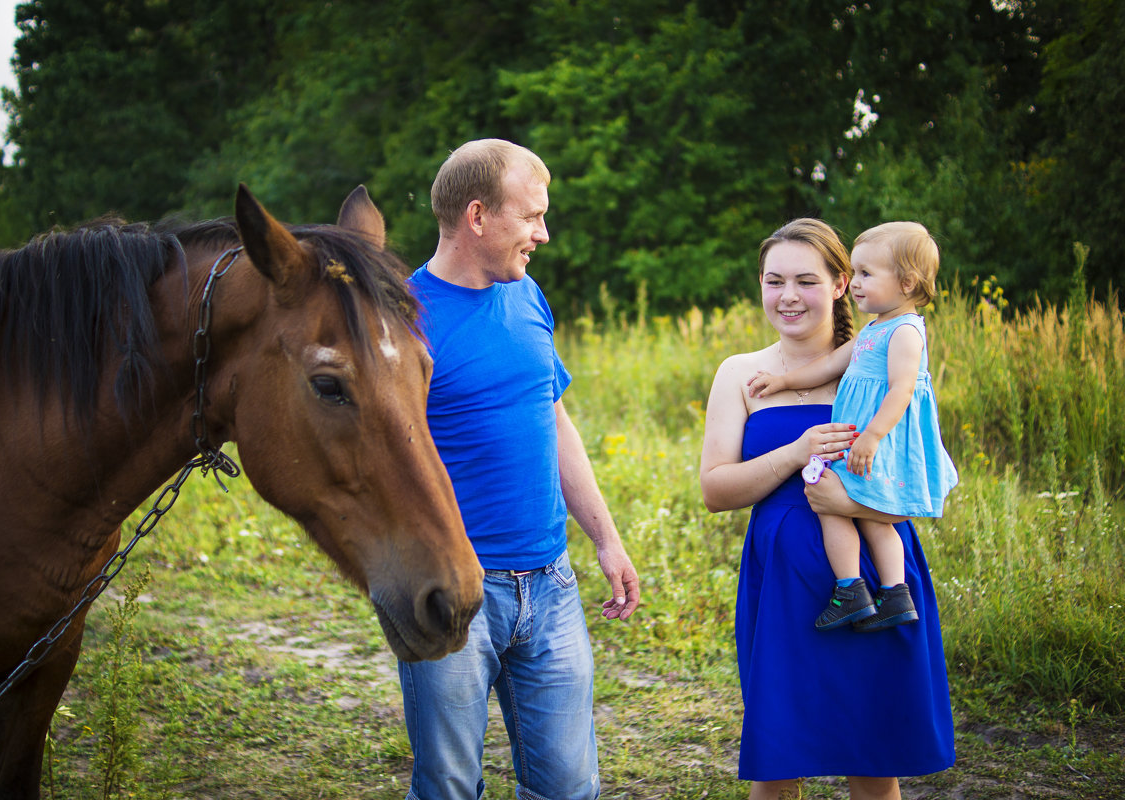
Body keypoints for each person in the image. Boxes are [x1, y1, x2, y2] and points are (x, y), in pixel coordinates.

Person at [399, 138, 641, 800]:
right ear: (478, 216)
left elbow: (554, 419)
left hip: (552, 586)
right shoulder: (401, 321)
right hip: (455, 594)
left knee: (569, 788)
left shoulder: (528, 294)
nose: (544, 233)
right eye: (531, 216)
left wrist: (606, 537)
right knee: (448, 787)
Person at [699, 219, 954, 799]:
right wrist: (795, 453)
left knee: (873, 762)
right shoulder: (742, 374)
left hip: (874, 578)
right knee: (779, 761)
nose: (788, 296)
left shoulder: (882, 361)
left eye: (806, 280)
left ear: (844, 284)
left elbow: (920, 481)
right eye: (774, 280)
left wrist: (852, 500)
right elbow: (715, 491)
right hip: (785, 585)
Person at [745, 222, 958, 632]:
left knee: (848, 508)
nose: (855, 283)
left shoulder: (907, 332)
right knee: (844, 507)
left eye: (865, 274)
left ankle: (867, 590)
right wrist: (784, 381)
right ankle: (875, 593)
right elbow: (828, 365)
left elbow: (902, 390)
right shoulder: (873, 331)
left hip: (877, 442)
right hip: (862, 439)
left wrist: (874, 437)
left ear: (907, 282)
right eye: (855, 274)